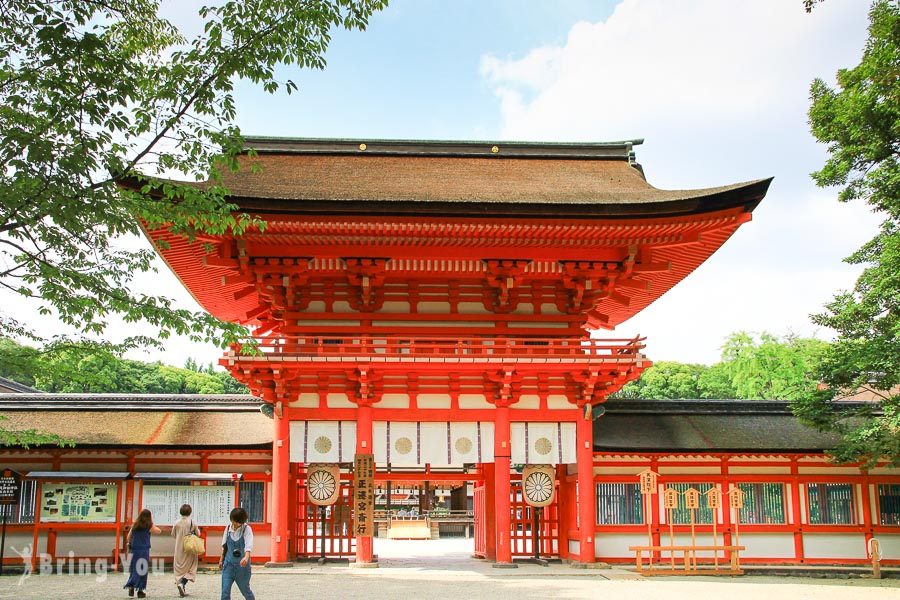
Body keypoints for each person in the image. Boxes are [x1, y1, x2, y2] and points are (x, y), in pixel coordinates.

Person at [124, 509, 162, 598]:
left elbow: (129, 537)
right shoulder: (149, 526)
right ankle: (140, 591)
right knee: (142, 570)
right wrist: (153, 524)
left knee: (134, 569)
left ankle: (131, 585)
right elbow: (159, 531)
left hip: (134, 550)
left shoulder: (135, 525)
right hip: (144, 550)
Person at [220, 507, 255, 600]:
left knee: (246, 591)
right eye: (233, 521)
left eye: (237, 522)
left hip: (242, 567)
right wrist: (221, 560)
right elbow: (224, 546)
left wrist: (246, 558)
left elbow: (248, 546)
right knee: (225, 593)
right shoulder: (227, 528)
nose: (234, 523)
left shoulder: (247, 529)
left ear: (242, 521)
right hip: (228, 565)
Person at [172, 504, 200, 597]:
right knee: (192, 567)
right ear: (190, 512)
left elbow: (173, 534)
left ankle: (180, 585)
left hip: (178, 548)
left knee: (179, 568)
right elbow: (198, 534)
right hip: (190, 549)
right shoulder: (192, 522)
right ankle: (183, 583)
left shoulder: (177, 522)